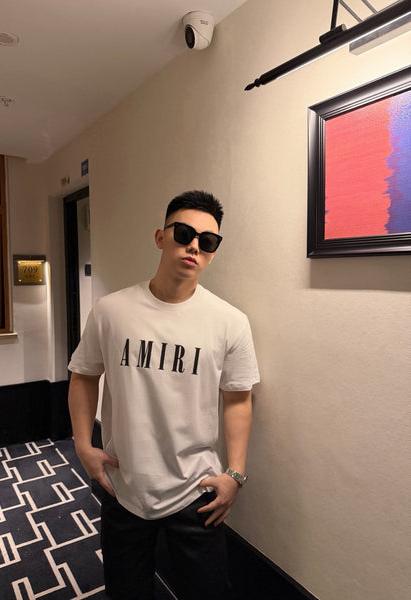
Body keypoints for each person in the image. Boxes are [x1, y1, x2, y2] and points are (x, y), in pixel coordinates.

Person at [68, 190, 260, 600]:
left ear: (213, 252)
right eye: (184, 233)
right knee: (127, 591)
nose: (194, 246)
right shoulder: (111, 311)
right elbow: (83, 376)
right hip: (124, 484)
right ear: (160, 237)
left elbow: (238, 398)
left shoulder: (230, 322)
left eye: (208, 241)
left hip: (197, 490)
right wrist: (83, 445)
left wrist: (236, 474)